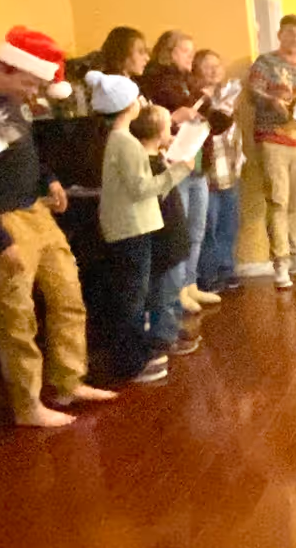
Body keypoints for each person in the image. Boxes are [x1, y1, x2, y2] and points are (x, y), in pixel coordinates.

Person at [0, 26, 118, 428]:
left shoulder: (15, 104)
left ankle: (68, 380)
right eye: (29, 81)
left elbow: (27, 153)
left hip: (37, 211)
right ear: (6, 68)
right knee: (17, 316)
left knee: (68, 296)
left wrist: (49, 179)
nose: (33, 91)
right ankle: (28, 404)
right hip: (3, 219)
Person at [91, 71, 184, 385]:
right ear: (127, 104)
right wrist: (177, 173)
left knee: (134, 293)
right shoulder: (126, 142)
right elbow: (142, 188)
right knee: (132, 296)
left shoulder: (120, 140)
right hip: (131, 228)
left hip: (131, 225)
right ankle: (130, 362)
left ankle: (134, 354)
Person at [139, 30, 235, 312]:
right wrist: (176, 116)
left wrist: (221, 108)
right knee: (180, 231)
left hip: (197, 160)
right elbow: (149, 123)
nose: (190, 57)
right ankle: (177, 288)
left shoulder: (190, 83)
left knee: (197, 228)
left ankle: (190, 283)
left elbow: (212, 124)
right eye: (185, 52)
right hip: (175, 161)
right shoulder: (156, 81)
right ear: (169, 52)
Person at [246, 15, 296, 289]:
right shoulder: (265, 63)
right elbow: (253, 93)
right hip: (274, 139)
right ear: (280, 34)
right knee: (278, 200)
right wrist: (272, 100)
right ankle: (280, 262)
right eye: (290, 33)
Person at [142, 106, 201, 358]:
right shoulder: (148, 162)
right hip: (164, 232)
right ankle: (163, 336)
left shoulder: (157, 156)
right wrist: (179, 169)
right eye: (168, 127)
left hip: (173, 231)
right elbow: (157, 191)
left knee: (173, 283)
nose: (172, 132)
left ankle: (172, 327)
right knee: (165, 288)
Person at [192, 49, 244, 295]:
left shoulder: (231, 93)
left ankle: (227, 270)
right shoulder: (195, 98)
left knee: (229, 225)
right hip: (207, 174)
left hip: (230, 173)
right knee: (208, 228)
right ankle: (207, 276)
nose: (213, 70)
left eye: (217, 65)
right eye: (207, 66)